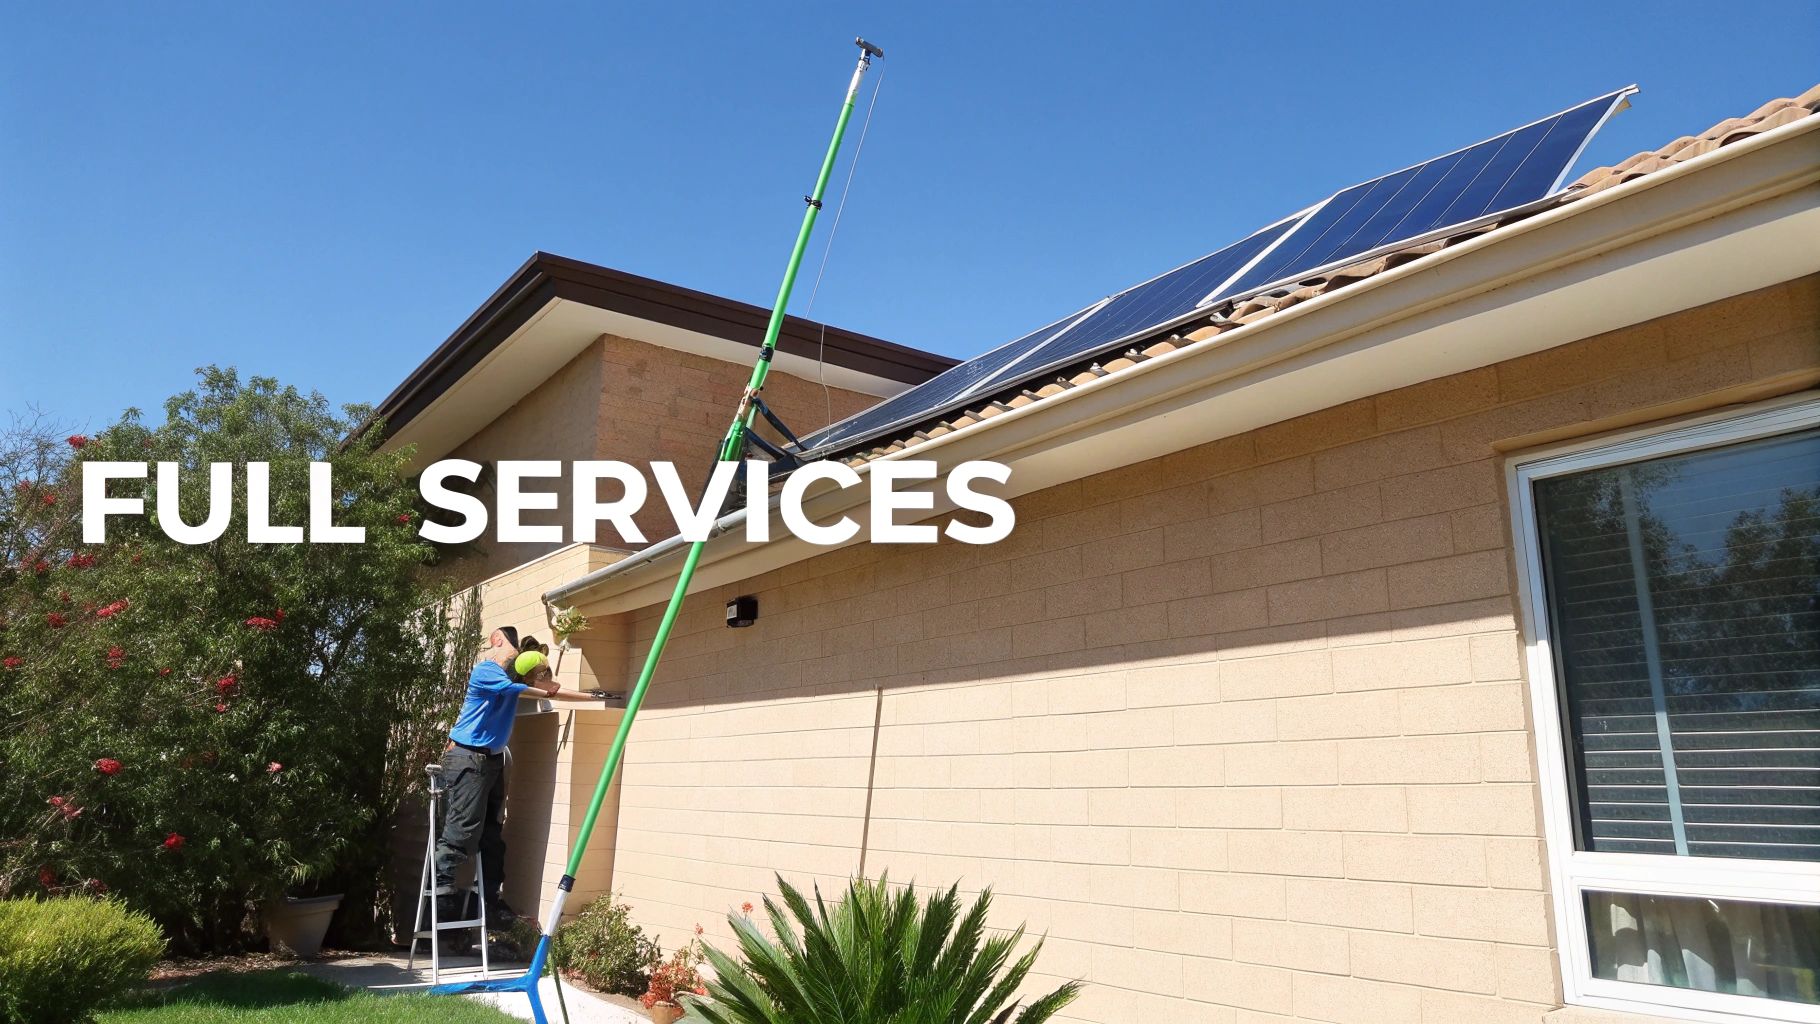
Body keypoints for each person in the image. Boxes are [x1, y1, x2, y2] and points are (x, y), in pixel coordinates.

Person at [433, 626, 598, 929]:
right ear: (496, 641)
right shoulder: (486, 671)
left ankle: (490, 897)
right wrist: (548, 687)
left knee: (493, 833)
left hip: (491, 759)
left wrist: (590, 695)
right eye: (510, 646)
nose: (513, 654)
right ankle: (441, 895)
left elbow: (546, 687)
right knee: (462, 829)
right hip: (467, 756)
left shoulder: (512, 679)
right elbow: (529, 690)